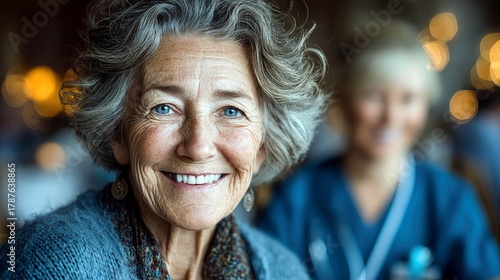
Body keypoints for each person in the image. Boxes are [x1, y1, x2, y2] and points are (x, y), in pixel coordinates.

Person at [0, 0, 329, 278]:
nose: (198, 147)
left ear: (261, 147)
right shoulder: (56, 264)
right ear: (118, 133)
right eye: (164, 108)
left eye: (231, 111)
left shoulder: (283, 269)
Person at [258, 22, 500, 280]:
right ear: (345, 101)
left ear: (425, 105)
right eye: (373, 96)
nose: (391, 117)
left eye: (408, 99)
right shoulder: (297, 197)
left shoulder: (449, 199)